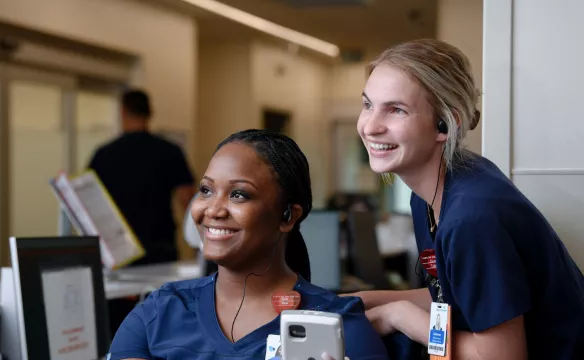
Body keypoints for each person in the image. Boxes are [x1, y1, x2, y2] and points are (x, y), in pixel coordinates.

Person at [347, 39, 584, 359]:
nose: (371, 126)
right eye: (367, 105)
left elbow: (502, 357)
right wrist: (358, 302)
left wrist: (397, 315)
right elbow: (452, 296)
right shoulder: (435, 193)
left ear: (446, 124)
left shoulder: (471, 218)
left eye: (396, 110)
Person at [107, 129, 390, 360]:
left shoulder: (340, 326)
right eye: (206, 190)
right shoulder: (160, 310)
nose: (213, 210)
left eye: (239, 195)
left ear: (288, 216)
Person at [88, 89, 196, 265]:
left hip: (119, 249)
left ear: (122, 112)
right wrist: (199, 244)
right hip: (161, 246)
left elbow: (91, 204)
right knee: (161, 292)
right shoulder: (169, 151)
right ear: (150, 112)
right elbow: (187, 200)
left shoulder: (104, 154)